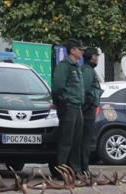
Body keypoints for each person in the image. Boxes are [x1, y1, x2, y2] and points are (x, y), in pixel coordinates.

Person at [52, 39, 85, 176]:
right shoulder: (64, 66)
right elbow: (58, 87)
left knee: (77, 141)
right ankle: (61, 171)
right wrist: (61, 102)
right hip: (68, 107)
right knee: (66, 141)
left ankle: (75, 170)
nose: (82, 52)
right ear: (72, 50)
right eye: (80, 49)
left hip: (77, 107)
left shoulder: (77, 66)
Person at [80, 47, 103, 176]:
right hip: (87, 111)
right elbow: (86, 91)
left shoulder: (86, 70)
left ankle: (83, 168)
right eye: (97, 56)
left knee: (84, 141)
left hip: (86, 110)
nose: (98, 59)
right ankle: (84, 169)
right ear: (93, 57)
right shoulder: (88, 71)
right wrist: (87, 106)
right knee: (85, 142)